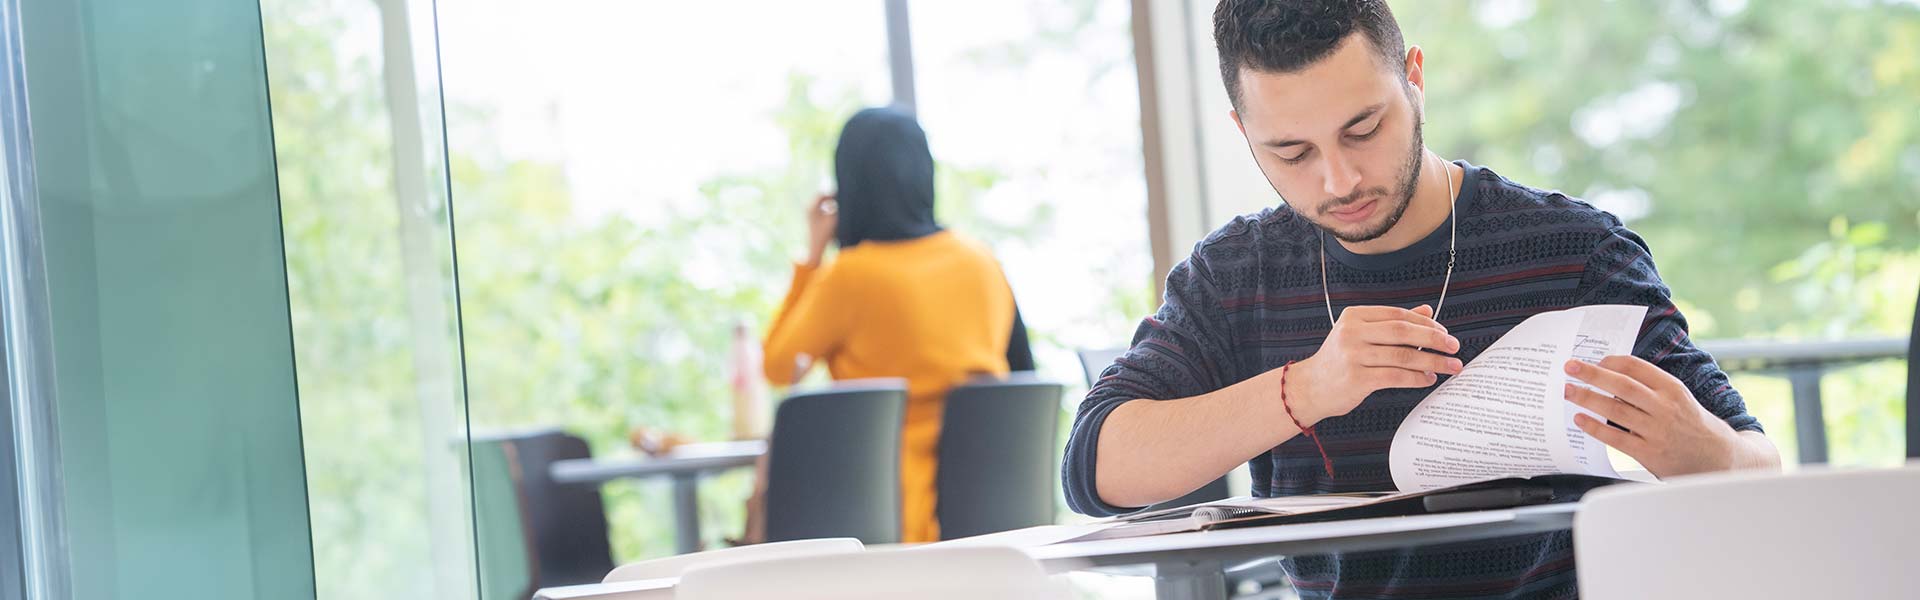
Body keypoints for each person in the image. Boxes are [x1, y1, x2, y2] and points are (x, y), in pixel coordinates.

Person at [1062, 1, 1782, 597]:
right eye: (1292, 153)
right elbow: (1097, 469)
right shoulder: (1234, 275)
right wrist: (1307, 388)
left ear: (1414, 79)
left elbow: (1758, 468)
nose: (1338, 180)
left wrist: (1703, 452)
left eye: (1363, 129)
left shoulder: (1574, 249)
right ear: (1242, 130)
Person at [759, 106, 1030, 544]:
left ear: (850, 186)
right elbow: (1021, 373)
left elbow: (777, 367)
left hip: (885, 519)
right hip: (992, 516)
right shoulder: (981, 260)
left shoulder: (851, 275)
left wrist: (811, 258)